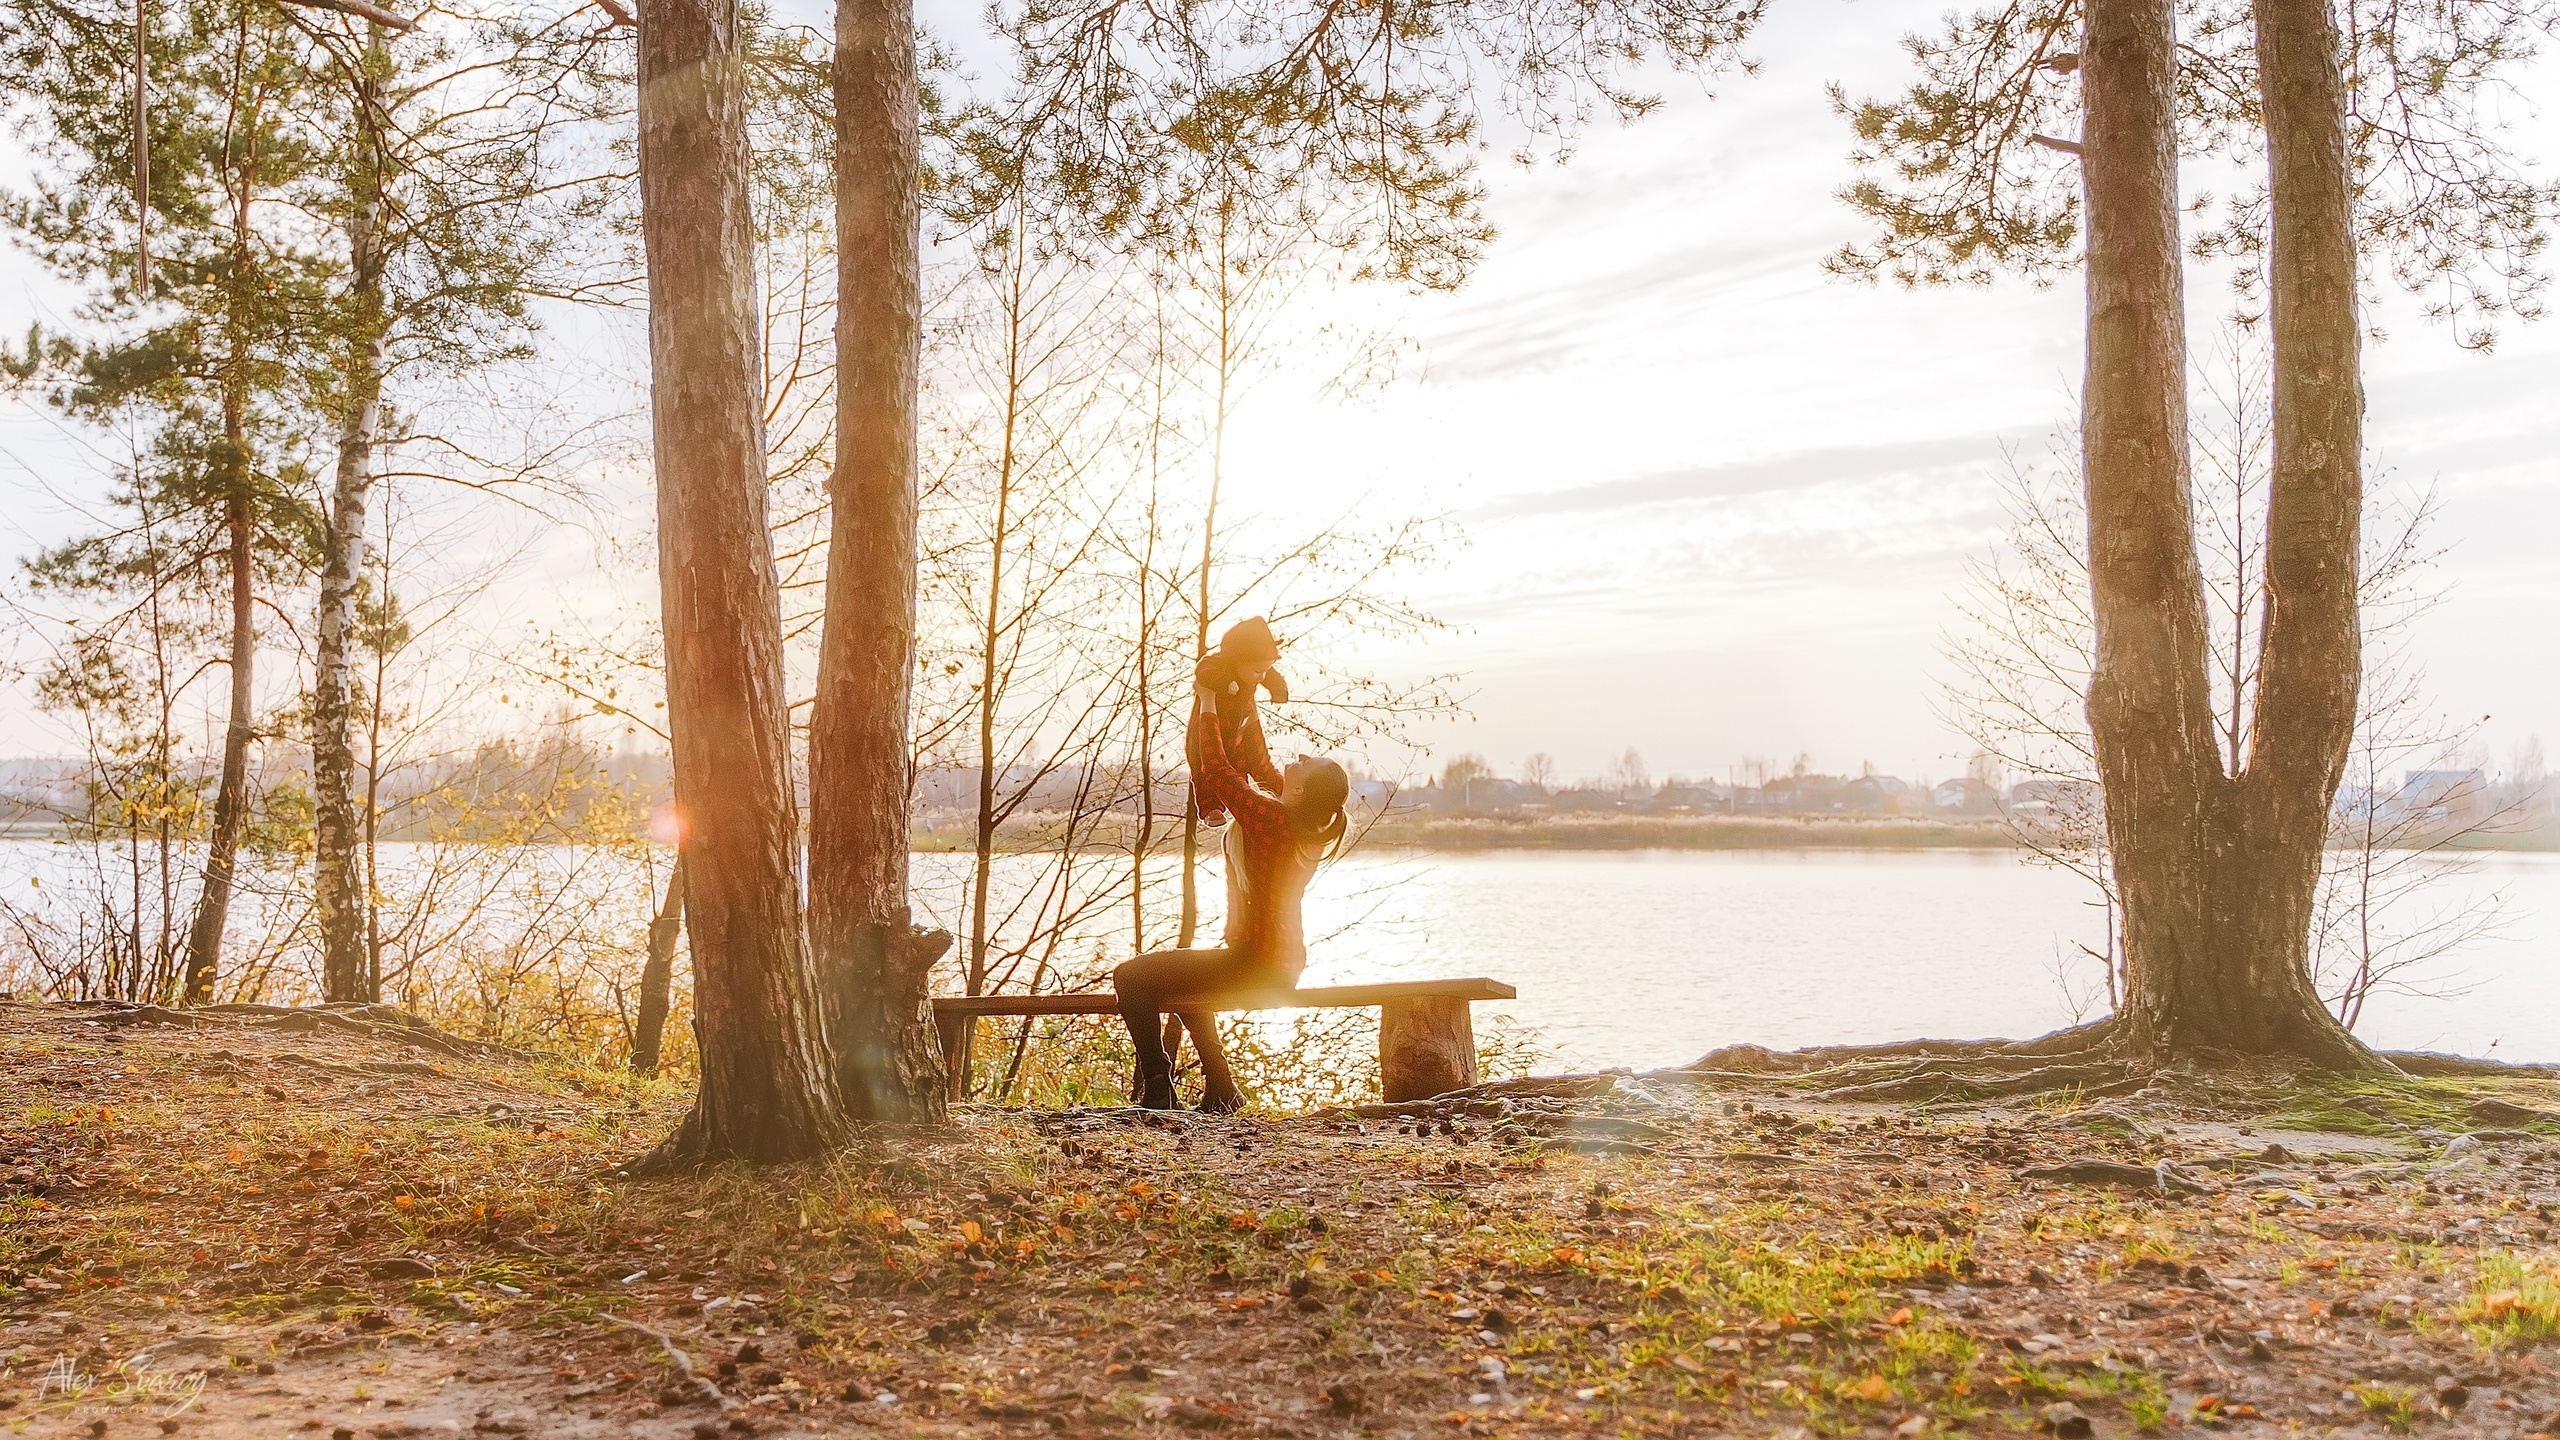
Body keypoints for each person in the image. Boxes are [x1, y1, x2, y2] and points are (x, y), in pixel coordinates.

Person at [1115, 684, 1349, 1111]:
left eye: (1306, 763)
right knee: (1186, 978)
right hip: (1273, 962)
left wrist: (1207, 702)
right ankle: (1222, 1088)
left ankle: (1159, 1088)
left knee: (1130, 977)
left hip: (1256, 964)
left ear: (1301, 791)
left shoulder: (1275, 822)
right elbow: (1259, 762)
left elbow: (1220, 774)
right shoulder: (1300, 823)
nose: (1299, 756)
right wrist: (1247, 701)